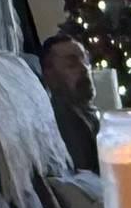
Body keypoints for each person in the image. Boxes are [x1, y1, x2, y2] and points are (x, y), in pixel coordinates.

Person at [41, 32, 100, 171]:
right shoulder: (64, 120)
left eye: (85, 60)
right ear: (49, 74)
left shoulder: (86, 113)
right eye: (71, 63)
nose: (84, 68)